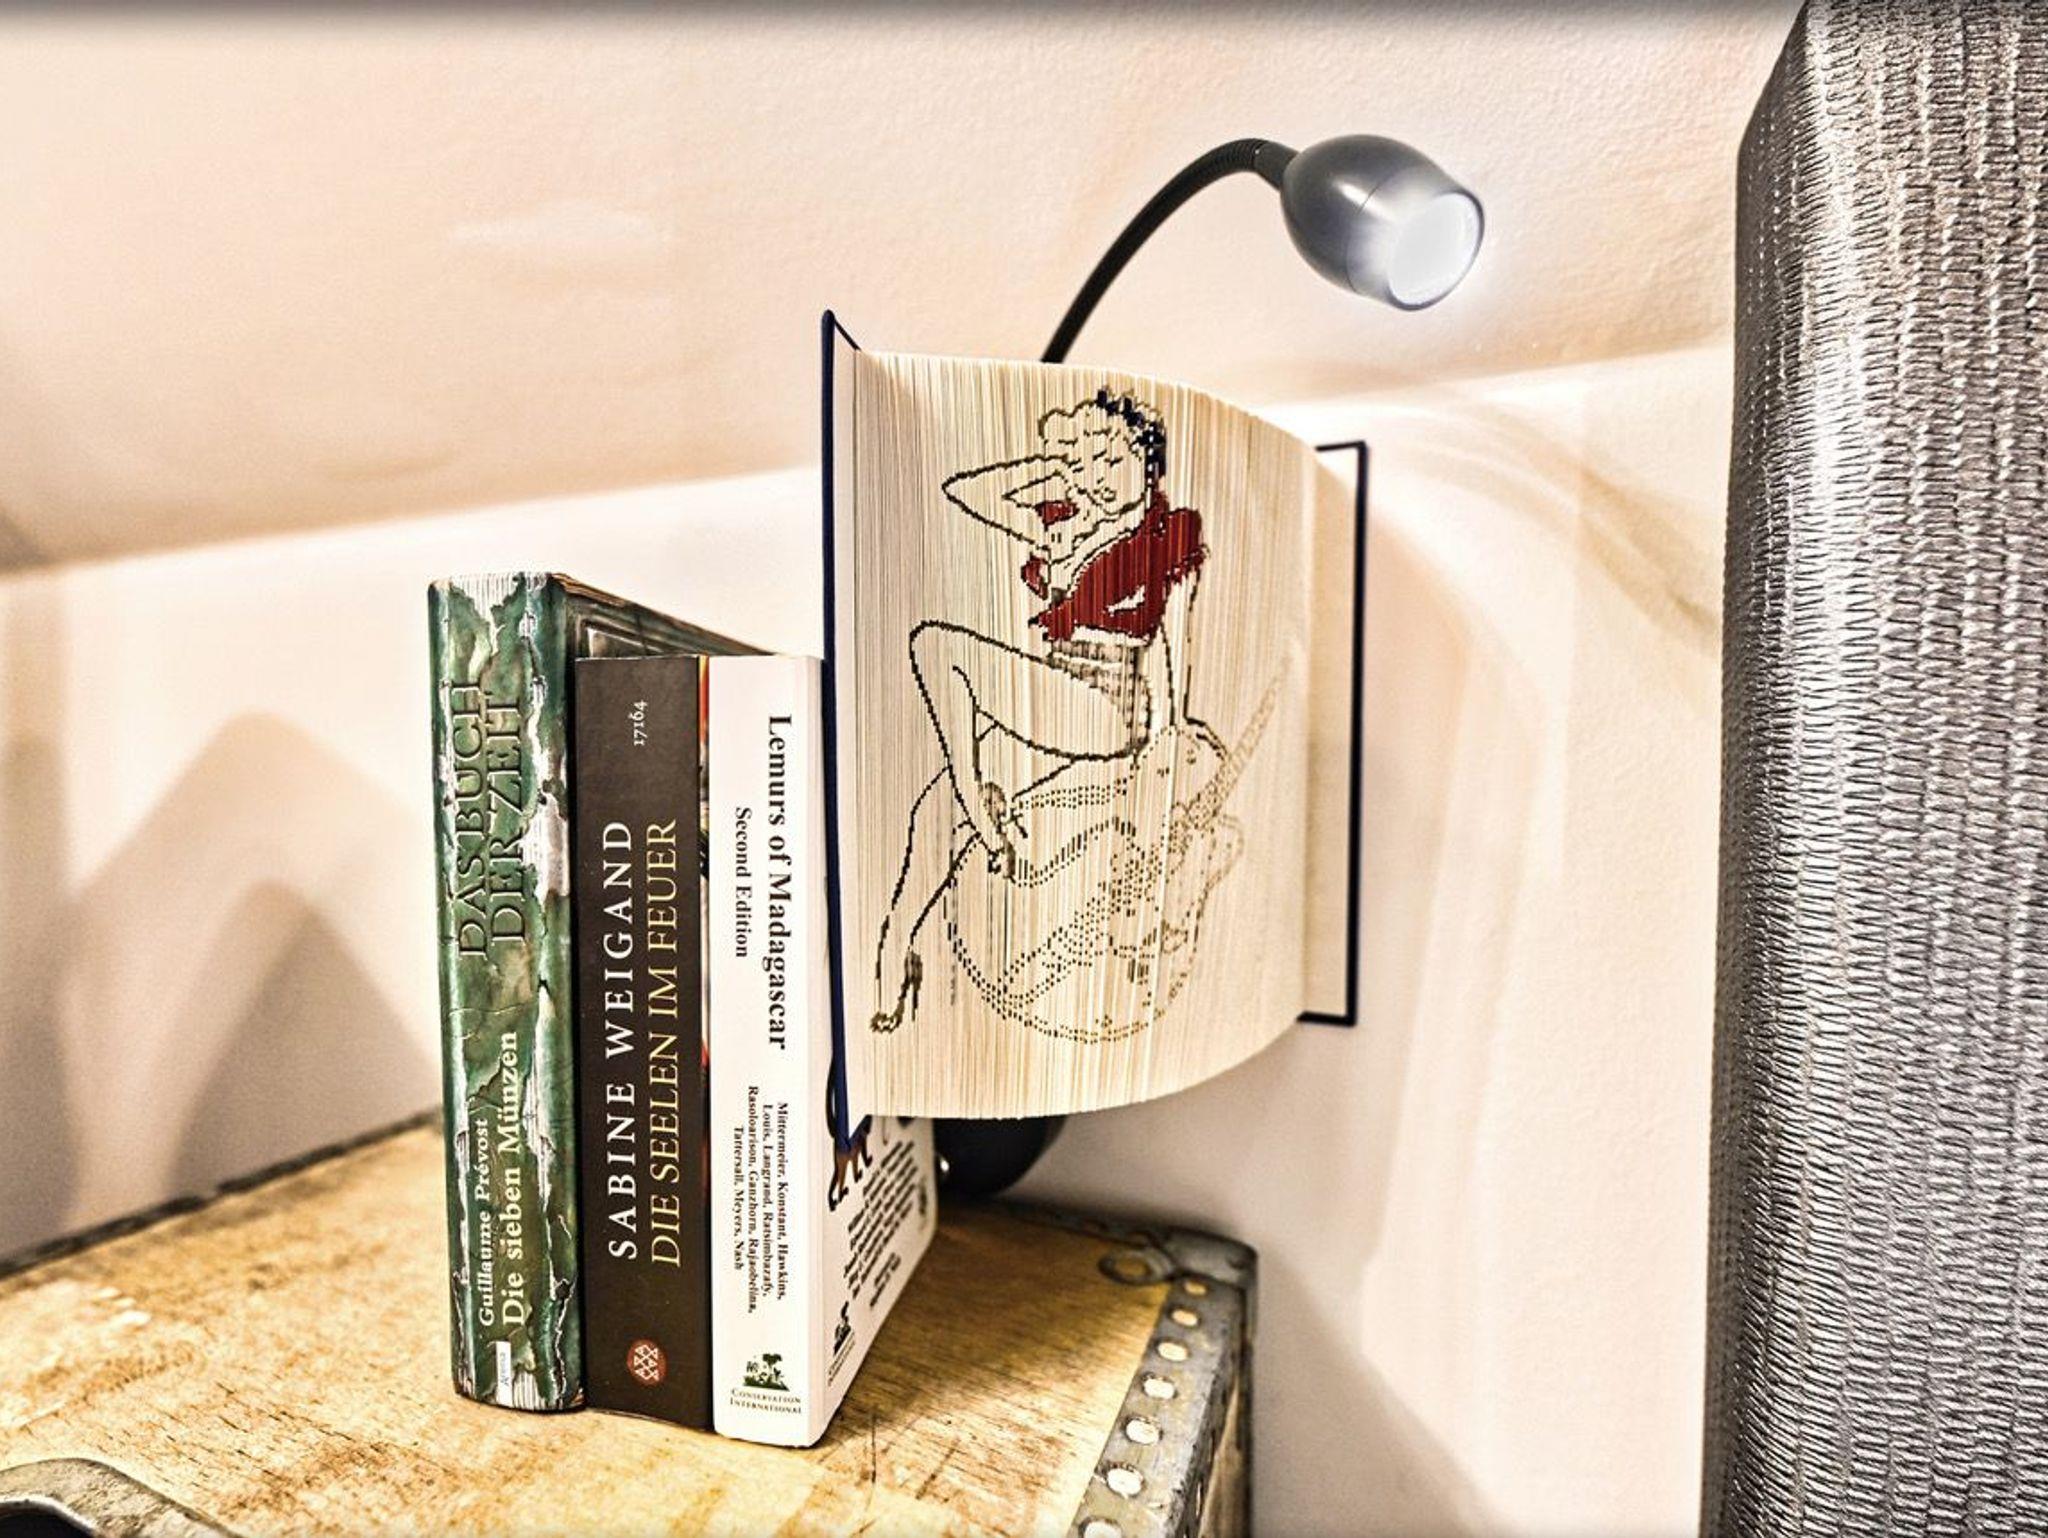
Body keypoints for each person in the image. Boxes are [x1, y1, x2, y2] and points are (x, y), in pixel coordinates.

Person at [871, 390, 1217, 1033]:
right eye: (1087, 460)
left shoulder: (1170, 534)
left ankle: (982, 814)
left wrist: (1166, 740)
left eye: (1113, 459)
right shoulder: (1067, 521)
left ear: (1150, 463)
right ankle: (897, 948)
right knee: (930, 814)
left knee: (938, 648)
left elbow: (1173, 643)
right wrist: (1058, 466)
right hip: (1049, 693)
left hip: (1108, 703)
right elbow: (965, 491)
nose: (1097, 476)